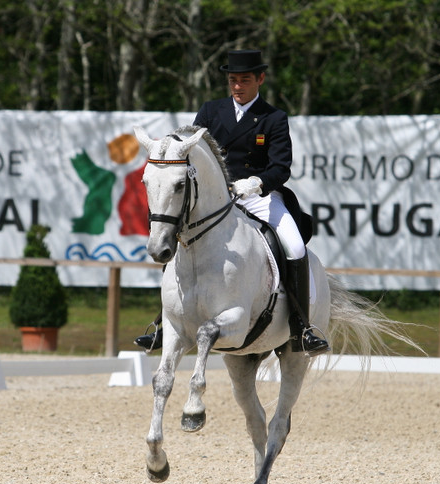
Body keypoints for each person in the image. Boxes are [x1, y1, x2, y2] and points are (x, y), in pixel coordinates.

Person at [135, 49, 329, 355]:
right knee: (179, 239)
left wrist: (256, 183)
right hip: (215, 198)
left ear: (260, 79)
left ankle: (302, 327)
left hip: (258, 197)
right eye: (233, 80)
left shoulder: (273, 117)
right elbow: (191, 153)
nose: (237, 86)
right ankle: (163, 323)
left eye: (245, 80)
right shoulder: (211, 112)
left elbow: (281, 167)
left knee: (294, 245)